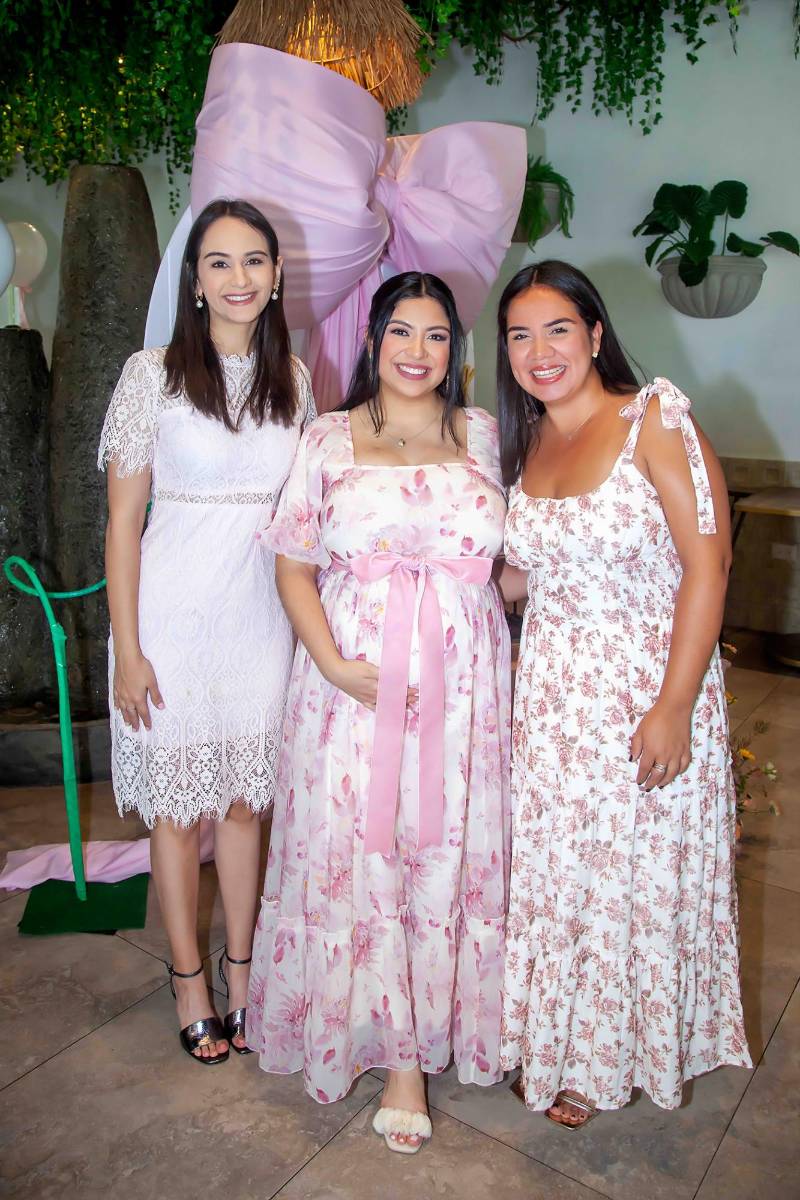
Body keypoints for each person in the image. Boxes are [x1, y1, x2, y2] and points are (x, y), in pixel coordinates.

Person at [246, 271, 511, 1153]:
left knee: (444, 852)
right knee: (365, 852)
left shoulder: (481, 434)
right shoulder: (328, 435)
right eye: (402, 331)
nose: (417, 352)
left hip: (462, 690)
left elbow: (515, 562)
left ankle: (446, 1033)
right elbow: (292, 562)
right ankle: (396, 1057)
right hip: (352, 685)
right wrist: (331, 664)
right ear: (373, 339)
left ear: (455, 350)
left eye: (437, 336)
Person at [497, 261, 751, 1128]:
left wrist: (675, 704)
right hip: (553, 704)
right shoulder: (525, 441)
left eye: (558, 329)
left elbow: (708, 563)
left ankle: (606, 1059)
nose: (540, 352)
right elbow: (519, 576)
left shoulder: (654, 420)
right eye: (520, 335)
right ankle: (555, 1034)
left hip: (646, 689)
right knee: (562, 875)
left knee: (626, 882)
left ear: (596, 335)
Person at [99, 198, 315, 1066]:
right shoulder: (148, 375)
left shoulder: (295, 380)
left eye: (253, 261)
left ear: (276, 274)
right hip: (171, 616)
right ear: (194, 280)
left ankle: (245, 971)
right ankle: (188, 979)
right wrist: (128, 648)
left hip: (260, 615)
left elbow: (306, 515)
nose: (238, 279)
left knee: (244, 803)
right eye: (219, 263)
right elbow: (121, 524)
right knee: (176, 806)